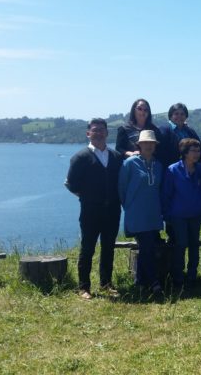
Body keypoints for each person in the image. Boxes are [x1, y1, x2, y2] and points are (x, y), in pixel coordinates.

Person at [64, 118, 123, 300]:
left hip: (112, 209)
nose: (98, 133)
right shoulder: (80, 157)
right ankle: (84, 287)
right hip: (90, 210)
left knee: (108, 248)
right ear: (88, 133)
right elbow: (71, 184)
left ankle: (106, 284)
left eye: (101, 130)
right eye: (94, 130)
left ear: (107, 133)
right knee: (87, 248)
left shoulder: (115, 157)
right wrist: (87, 197)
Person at [161, 138, 201, 289]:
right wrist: (167, 215)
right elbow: (166, 194)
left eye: (199, 151)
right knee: (181, 245)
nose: (197, 154)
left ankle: (192, 276)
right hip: (178, 215)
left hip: (196, 214)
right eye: (193, 151)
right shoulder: (173, 169)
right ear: (185, 153)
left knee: (194, 245)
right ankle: (178, 277)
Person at [118, 130, 164, 294]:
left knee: (149, 247)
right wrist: (129, 206)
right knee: (146, 247)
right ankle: (153, 282)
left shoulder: (158, 165)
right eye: (145, 143)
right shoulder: (130, 163)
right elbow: (122, 188)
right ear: (139, 145)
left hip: (153, 213)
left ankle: (140, 281)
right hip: (137, 213)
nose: (148, 145)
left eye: (151, 143)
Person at [115, 98, 166, 163]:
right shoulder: (124, 129)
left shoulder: (155, 130)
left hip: (151, 164)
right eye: (139, 109)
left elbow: (160, 149)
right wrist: (131, 153)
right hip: (132, 164)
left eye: (145, 110)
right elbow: (118, 148)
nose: (142, 112)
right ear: (134, 110)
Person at [159, 102, 200, 167]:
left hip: (191, 167)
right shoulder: (164, 130)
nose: (179, 116)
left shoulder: (190, 131)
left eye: (182, 114)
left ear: (186, 116)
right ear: (170, 116)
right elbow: (160, 151)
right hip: (172, 168)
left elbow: (199, 146)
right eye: (176, 114)